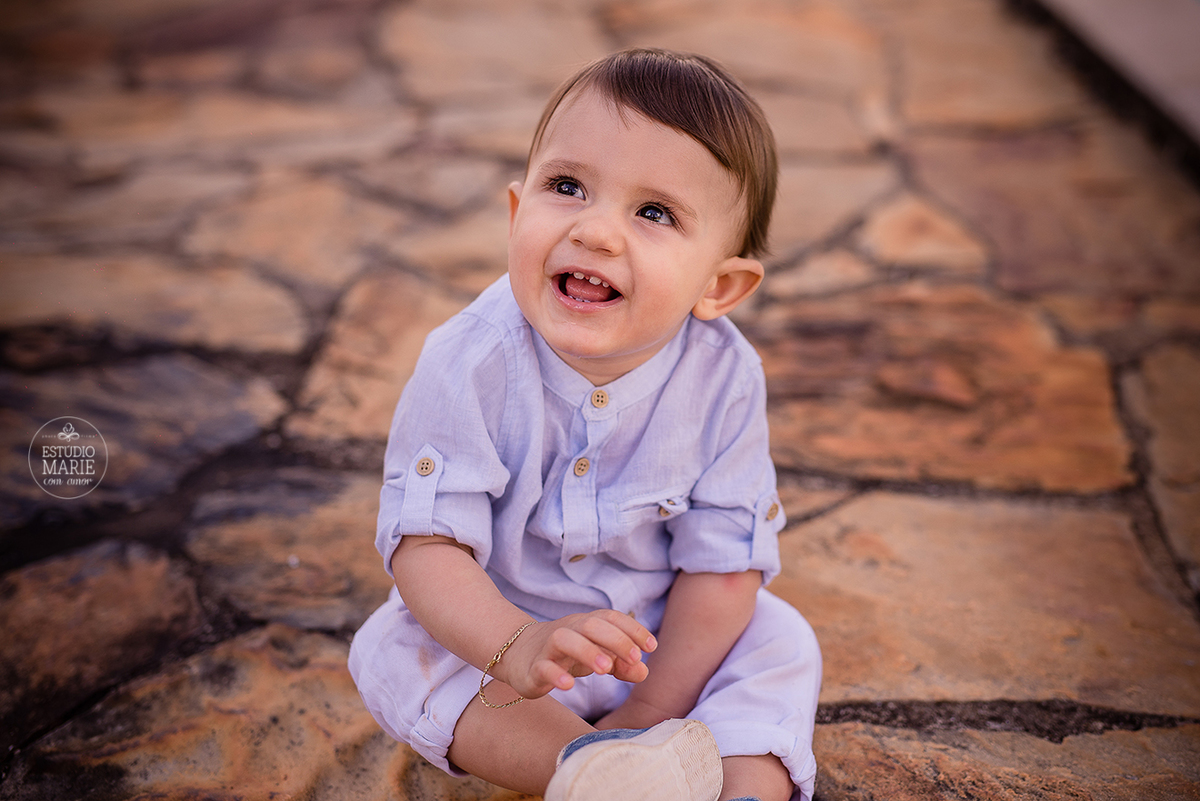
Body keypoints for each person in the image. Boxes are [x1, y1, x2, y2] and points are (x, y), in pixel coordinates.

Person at [349, 48, 822, 801]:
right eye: (567, 187)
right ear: (517, 213)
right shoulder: (470, 362)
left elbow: (723, 564)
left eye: (654, 212)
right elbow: (427, 546)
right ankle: (594, 771)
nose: (596, 231)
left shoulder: (725, 378)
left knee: (778, 639)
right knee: (395, 649)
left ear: (719, 286)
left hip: (660, 643)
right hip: (501, 639)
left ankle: (728, 785)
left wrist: (650, 709)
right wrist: (516, 644)